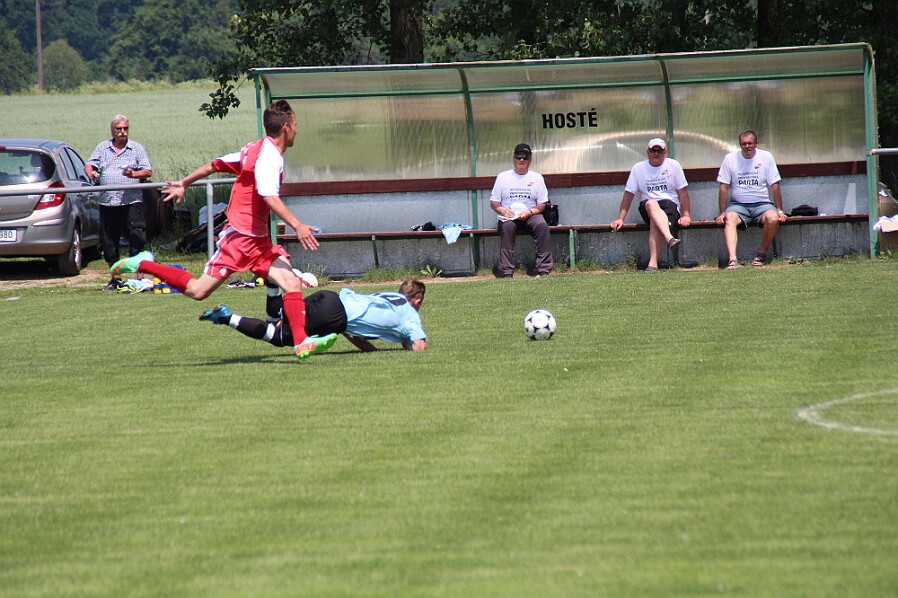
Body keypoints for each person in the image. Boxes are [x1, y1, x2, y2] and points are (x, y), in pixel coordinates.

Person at [109, 99, 336, 361]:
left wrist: (183, 182)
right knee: (198, 291)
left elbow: (215, 164)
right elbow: (267, 195)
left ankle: (302, 343)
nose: (297, 131)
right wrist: (297, 225)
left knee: (291, 282)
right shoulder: (270, 158)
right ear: (286, 128)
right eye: (296, 126)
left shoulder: (255, 150)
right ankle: (145, 264)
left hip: (258, 242)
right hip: (239, 239)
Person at [198, 279, 428, 353]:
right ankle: (227, 317)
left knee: (280, 319)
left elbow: (353, 331)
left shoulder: (389, 296)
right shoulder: (410, 313)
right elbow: (419, 346)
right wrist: (408, 344)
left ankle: (271, 288)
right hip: (335, 315)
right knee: (279, 337)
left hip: (330, 298)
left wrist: (372, 351)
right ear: (416, 301)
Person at [85, 115, 153, 290]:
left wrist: (134, 175)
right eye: (119, 129)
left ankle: (140, 278)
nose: (123, 132)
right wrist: (91, 172)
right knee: (109, 242)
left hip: (131, 202)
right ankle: (115, 279)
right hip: (108, 203)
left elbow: (148, 170)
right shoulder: (102, 147)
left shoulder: (136, 148)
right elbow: (89, 164)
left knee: (136, 237)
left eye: (126, 129)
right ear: (112, 131)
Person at [611, 138, 692, 270]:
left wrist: (686, 215)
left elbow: (683, 193)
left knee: (655, 220)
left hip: (669, 205)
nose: (656, 153)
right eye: (653, 150)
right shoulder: (638, 168)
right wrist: (621, 218)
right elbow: (628, 195)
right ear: (647, 152)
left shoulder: (674, 165)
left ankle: (653, 264)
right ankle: (669, 238)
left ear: (665, 152)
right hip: (647, 206)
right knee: (651, 203)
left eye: (659, 151)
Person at [716, 130, 787, 268]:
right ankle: (732, 260)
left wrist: (779, 210)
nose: (747, 146)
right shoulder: (730, 159)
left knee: (773, 219)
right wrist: (722, 212)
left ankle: (761, 254)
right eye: (744, 144)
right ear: (740, 145)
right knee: (729, 218)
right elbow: (723, 187)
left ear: (756, 143)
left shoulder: (766, 157)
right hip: (738, 205)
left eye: (750, 143)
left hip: (763, 204)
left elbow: (774, 185)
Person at [489, 143, 553, 278]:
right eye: (518, 157)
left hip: (530, 213)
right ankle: (506, 272)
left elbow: (542, 204)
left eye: (525, 157)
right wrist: (503, 210)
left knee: (542, 226)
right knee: (507, 228)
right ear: (513, 159)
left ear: (530, 160)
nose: (521, 160)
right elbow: (494, 202)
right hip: (509, 216)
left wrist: (529, 212)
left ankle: (544, 269)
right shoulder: (503, 177)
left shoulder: (537, 178)